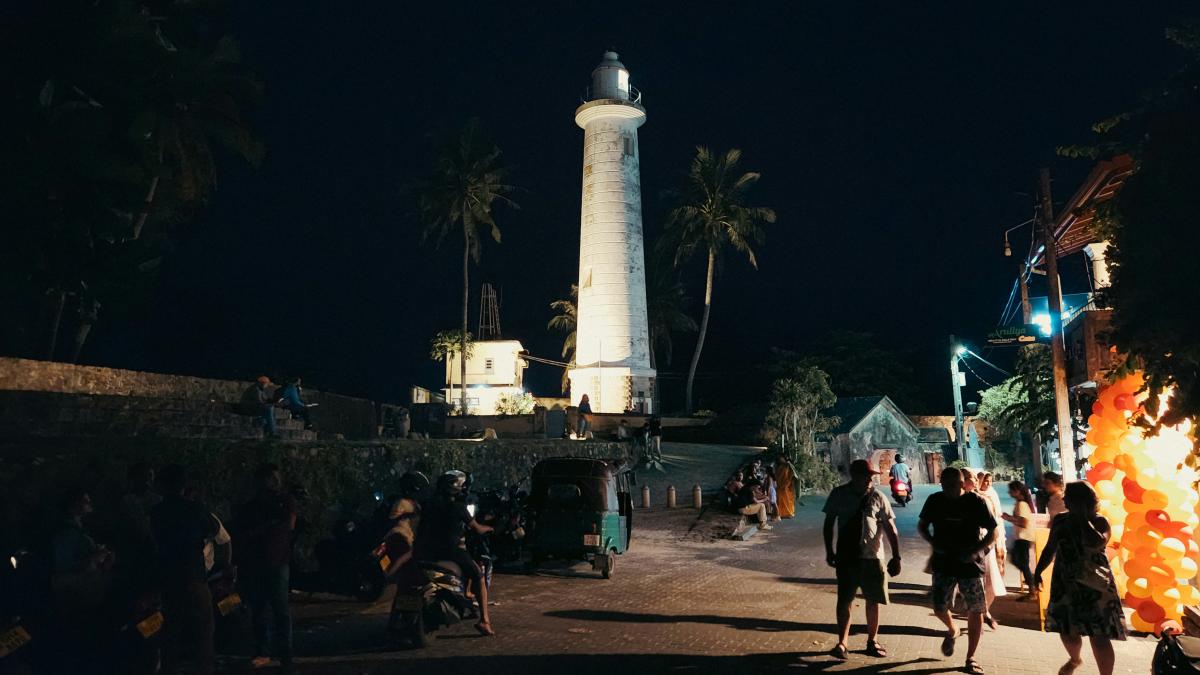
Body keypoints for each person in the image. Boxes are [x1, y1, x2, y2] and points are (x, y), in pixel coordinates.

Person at [1035, 482, 1125, 675]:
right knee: (1067, 630)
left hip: (1095, 585)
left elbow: (1096, 542)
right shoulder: (1060, 520)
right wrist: (1038, 571)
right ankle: (1075, 659)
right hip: (1066, 582)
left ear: (1081, 501)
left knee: (1099, 634)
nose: (1064, 499)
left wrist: (1082, 517)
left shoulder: (1100, 521)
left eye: (1069, 496)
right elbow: (1050, 547)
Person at [918, 467, 998, 675]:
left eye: (954, 484)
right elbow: (922, 526)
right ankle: (952, 629)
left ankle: (971, 657)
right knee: (939, 607)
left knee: (976, 609)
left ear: (963, 484)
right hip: (944, 562)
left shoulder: (977, 502)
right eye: (945, 485)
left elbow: (994, 531)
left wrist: (976, 551)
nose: (950, 489)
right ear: (941, 484)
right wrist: (934, 543)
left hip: (970, 564)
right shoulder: (935, 501)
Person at [822, 459, 902, 660]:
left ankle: (872, 640)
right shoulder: (839, 495)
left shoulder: (878, 496)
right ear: (854, 475)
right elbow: (828, 524)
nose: (869, 479)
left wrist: (896, 556)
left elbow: (891, 529)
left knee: (873, 600)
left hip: (872, 557)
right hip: (846, 557)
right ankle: (842, 642)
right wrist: (829, 551)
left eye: (870, 476)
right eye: (865, 475)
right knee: (845, 601)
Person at [151, 465, 220, 675]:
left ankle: (169, 669)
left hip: (169, 577)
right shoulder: (195, 509)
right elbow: (214, 529)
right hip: (194, 577)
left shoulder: (158, 512)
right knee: (203, 633)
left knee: (170, 631)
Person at [414, 470, 496, 636]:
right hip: (451, 551)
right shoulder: (458, 508)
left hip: (427, 552)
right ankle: (484, 621)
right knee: (478, 575)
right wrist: (490, 528)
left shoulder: (429, 505)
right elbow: (477, 529)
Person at [236, 463, 297, 671]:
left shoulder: (284, 502)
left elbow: (290, 524)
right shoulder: (252, 505)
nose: (276, 482)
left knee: (280, 608)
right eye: (272, 478)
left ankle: (285, 652)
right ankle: (264, 650)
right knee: (260, 608)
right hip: (259, 562)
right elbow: (243, 532)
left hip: (277, 562)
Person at [976, 472, 1007, 629]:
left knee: (993, 581)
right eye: (984, 481)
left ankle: (985, 611)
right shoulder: (975, 498)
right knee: (980, 582)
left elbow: (997, 520)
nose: (987, 484)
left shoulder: (991, 494)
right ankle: (980, 615)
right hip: (980, 544)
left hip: (994, 543)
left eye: (990, 481)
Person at [1003, 480, 1037, 598]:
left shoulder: (1021, 504)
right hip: (1022, 537)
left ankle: (1033, 585)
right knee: (1020, 561)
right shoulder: (1021, 503)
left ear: (1017, 491)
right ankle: (1032, 585)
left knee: (1020, 561)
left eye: (1011, 490)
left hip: (1023, 537)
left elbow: (1023, 522)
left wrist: (1008, 518)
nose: (1009, 493)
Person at [774, 453, 798, 519]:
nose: (779, 459)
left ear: (784, 458)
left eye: (780, 457)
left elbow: (793, 476)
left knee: (787, 500)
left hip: (787, 486)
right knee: (780, 500)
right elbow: (776, 476)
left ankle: (789, 513)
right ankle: (781, 513)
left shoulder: (789, 466)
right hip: (779, 486)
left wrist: (788, 484)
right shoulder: (778, 466)